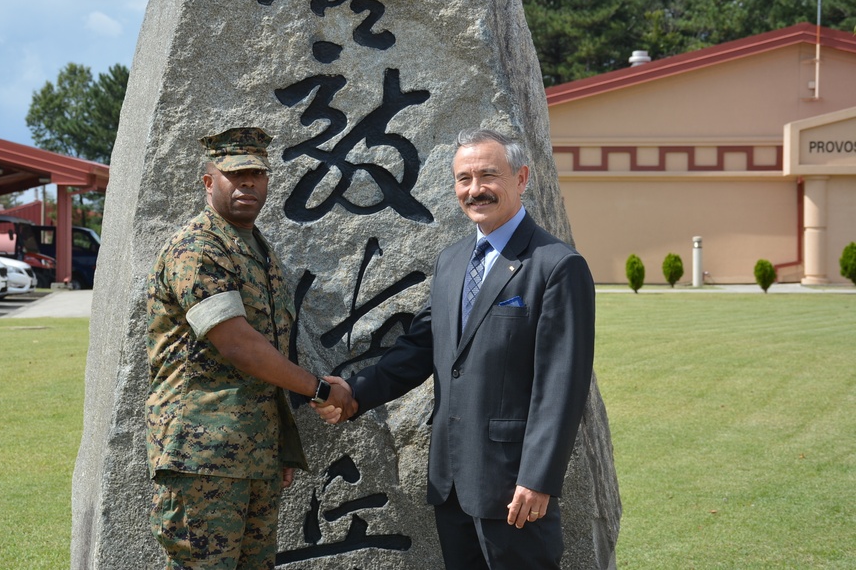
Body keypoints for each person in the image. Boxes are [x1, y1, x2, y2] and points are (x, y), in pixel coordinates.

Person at [317, 128, 595, 569]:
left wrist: (538, 478)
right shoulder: (453, 261)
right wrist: (354, 393)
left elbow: (562, 385)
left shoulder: (556, 266)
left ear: (521, 179)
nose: (475, 189)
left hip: (514, 487)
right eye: (463, 179)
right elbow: (420, 348)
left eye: (488, 176)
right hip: (451, 481)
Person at [146, 126, 355, 570]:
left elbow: (271, 350)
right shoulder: (198, 248)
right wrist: (318, 389)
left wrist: (274, 443)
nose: (247, 185)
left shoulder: (257, 248)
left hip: (250, 454)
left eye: (256, 175)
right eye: (235, 175)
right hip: (203, 457)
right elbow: (238, 344)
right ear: (209, 182)